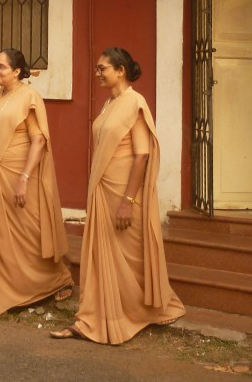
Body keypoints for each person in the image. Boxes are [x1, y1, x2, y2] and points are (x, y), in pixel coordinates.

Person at [51, 47, 185, 343]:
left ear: (120, 70)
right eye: (98, 69)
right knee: (103, 258)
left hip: (124, 193)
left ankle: (143, 311)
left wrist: (128, 201)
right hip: (104, 189)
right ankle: (91, 320)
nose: (98, 73)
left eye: (103, 68)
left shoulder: (134, 102)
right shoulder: (110, 103)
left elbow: (141, 156)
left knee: (130, 258)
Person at [0, 48, 73, 319]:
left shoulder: (29, 97)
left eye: (2, 67)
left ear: (17, 71)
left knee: (29, 234)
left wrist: (24, 179)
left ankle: (58, 279)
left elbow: (38, 140)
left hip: (20, 176)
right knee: (1, 238)